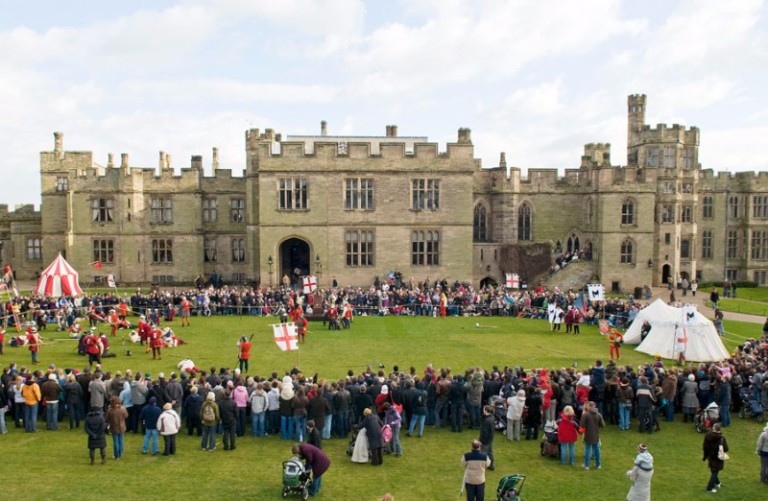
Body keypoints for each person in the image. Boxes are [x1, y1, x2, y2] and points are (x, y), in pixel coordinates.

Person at [702, 423, 728, 493]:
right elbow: (726, 448)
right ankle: (709, 488)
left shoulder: (707, 436)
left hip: (710, 456)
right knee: (715, 471)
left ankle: (717, 483)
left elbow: (705, 447)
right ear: (719, 429)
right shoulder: (721, 438)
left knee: (714, 470)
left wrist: (705, 457)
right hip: (718, 457)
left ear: (713, 428)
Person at [580, 400, 605, 470]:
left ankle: (586, 465)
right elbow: (603, 425)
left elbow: (582, 425)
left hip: (587, 435)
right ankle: (598, 465)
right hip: (596, 435)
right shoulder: (599, 414)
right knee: (597, 450)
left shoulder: (585, 415)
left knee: (587, 450)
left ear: (589, 406)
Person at [105, 396, 128, 460]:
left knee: (116, 442)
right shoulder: (123, 408)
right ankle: (120, 454)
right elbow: (126, 416)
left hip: (114, 427)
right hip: (122, 426)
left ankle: (116, 455)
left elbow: (106, 418)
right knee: (121, 441)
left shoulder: (110, 410)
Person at [479, 405, 495, 470]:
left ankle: (481, 467)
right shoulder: (492, 417)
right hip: (490, 438)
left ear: (486, 410)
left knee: (483, 453)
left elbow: (484, 432)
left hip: (485, 440)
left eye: (483, 409)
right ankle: (491, 465)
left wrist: (481, 440)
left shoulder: (487, 420)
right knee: (490, 452)